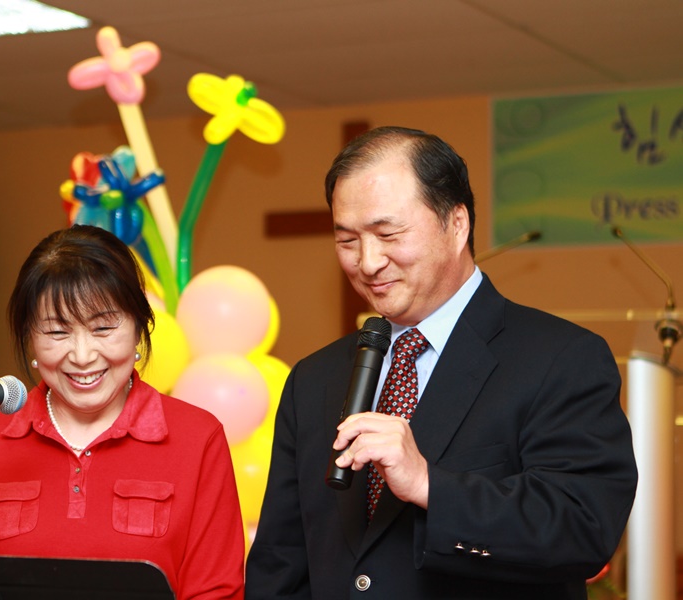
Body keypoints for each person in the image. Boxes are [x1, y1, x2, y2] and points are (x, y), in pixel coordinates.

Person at [244, 126, 637, 599]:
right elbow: (281, 564)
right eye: (347, 240)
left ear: (457, 224)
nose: (367, 262)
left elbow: (583, 529)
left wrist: (428, 483)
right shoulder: (314, 379)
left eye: (388, 234)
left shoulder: (561, 358)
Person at [0, 224, 245, 600]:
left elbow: (216, 592)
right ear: (30, 338)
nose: (82, 356)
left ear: (140, 327)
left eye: (103, 328)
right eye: (57, 332)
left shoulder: (198, 438)